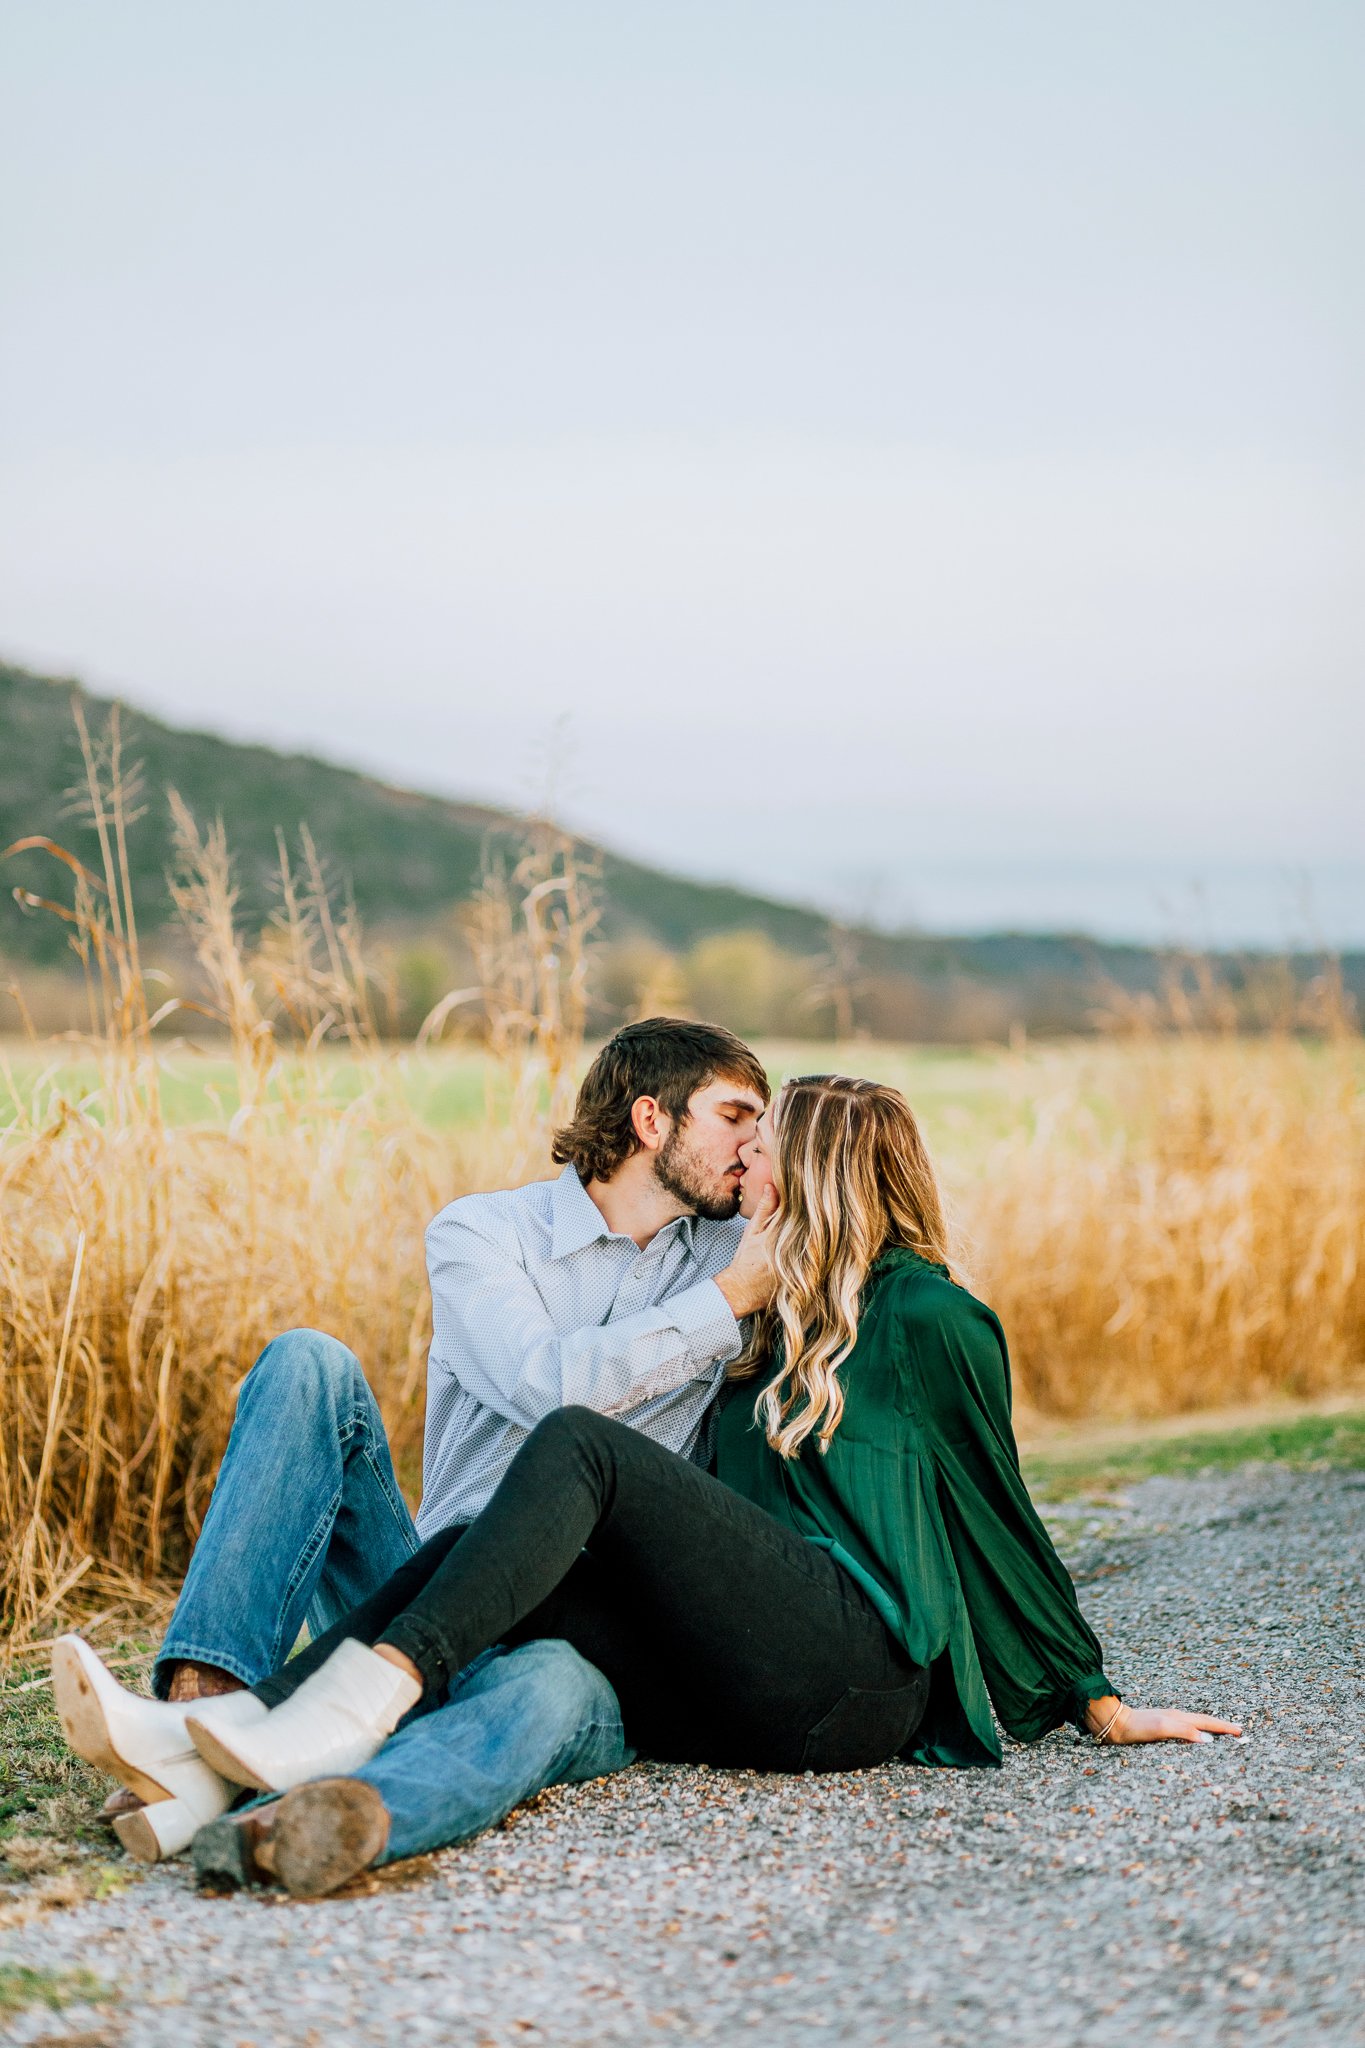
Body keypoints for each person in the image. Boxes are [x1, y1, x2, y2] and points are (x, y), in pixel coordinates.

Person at [162, 1075, 1240, 1896]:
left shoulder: (929, 1316)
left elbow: (1000, 1515)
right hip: (743, 1671)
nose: (743, 1171)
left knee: (581, 1445)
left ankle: (345, 1718)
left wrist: (1095, 1699)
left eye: (761, 1149)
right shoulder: (766, 1320)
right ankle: (232, 1742)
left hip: (856, 1670)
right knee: (466, 1546)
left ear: (810, 1173)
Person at [52, 1019, 774, 1863]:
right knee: (306, 1363)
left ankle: (283, 1807)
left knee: (549, 1688)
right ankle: (197, 1713)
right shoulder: (484, 1235)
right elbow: (548, 1390)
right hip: (429, 1594)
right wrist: (721, 1304)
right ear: (652, 1121)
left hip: (574, 1628)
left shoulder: (739, 1251)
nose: (755, 1143)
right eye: (736, 1116)